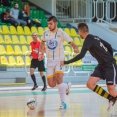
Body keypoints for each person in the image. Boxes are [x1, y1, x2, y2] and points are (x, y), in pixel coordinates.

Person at [61, 22, 117, 111]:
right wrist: (108, 56)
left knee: (112, 90)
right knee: (90, 84)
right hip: (101, 66)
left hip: (109, 65)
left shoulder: (88, 40)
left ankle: (113, 97)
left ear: (79, 31)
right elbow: (109, 46)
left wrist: (66, 62)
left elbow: (81, 55)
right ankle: (110, 98)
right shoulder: (95, 37)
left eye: (78, 32)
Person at [38, 16, 78, 109]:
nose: (49, 25)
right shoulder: (45, 33)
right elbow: (42, 43)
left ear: (56, 23)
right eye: (48, 24)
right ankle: (66, 86)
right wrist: (40, 53)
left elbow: (71, 42)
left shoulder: (61, 33)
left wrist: (75, 47)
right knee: (51, 85)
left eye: (51, 23)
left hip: (59, 60)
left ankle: (63, 103)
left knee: (59, 79)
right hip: (49, 61)